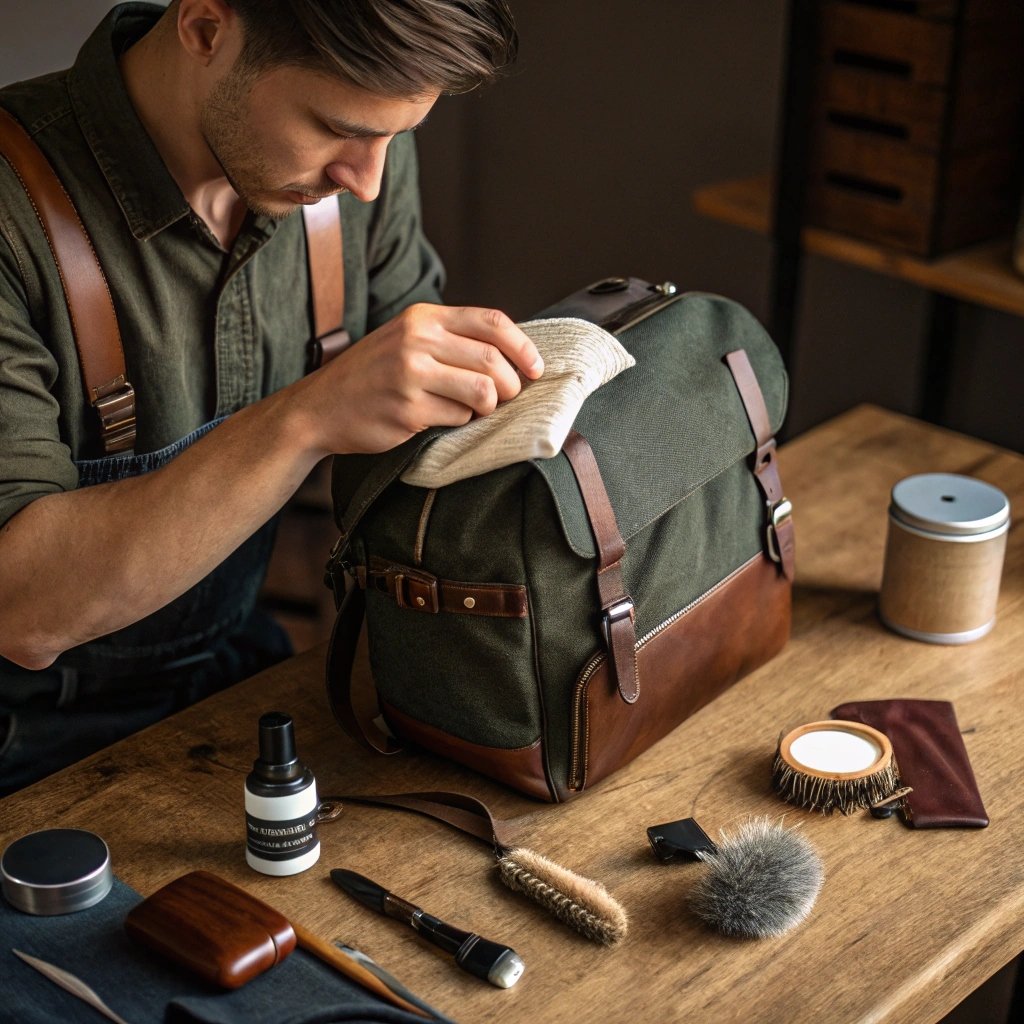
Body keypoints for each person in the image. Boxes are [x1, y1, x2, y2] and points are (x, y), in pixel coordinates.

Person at [0, 0, 542, 794]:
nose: (366, 183)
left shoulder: (356, 166)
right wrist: (309, 417)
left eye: (397, 136)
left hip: (236, 673)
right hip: (26, 742)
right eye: (337, 126)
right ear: (207, 28)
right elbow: (24, 609)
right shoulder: (13, 219)